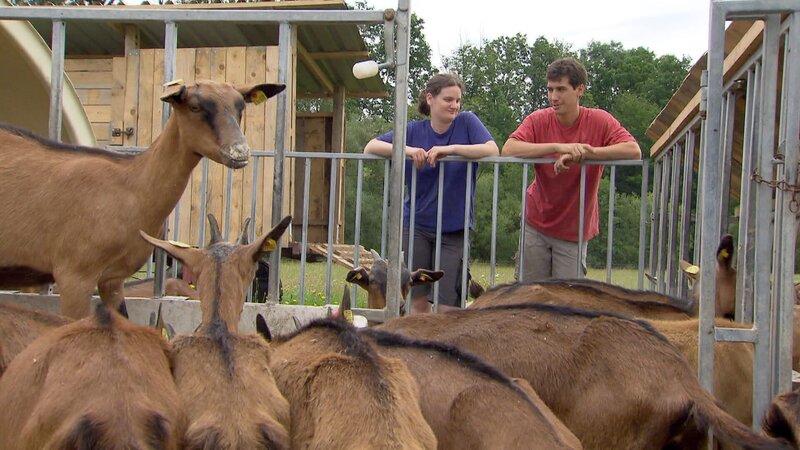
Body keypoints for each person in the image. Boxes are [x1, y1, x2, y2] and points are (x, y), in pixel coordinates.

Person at [364, 73, 498, 313]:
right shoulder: (413, 130)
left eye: (458, 100)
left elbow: (492, 150)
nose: (455, 105)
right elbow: (370, 147)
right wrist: (408, 151)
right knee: (417, 302)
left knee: (448, 307)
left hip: (454, 229)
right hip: (416, 226)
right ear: (430, 98)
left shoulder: (467, 122)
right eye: (448, 99)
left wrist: (451, 150)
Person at [502, 57, 641, 281]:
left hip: (574, 230)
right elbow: (508, 149)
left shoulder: (600, 120)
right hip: (535, 223)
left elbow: (633, 151)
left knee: (566, 297)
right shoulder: (538, 119)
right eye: (550, 89)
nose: (553, 97)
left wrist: (587, 153)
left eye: (561, 89)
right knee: (529, 295)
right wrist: (559, 147)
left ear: (580, 89)